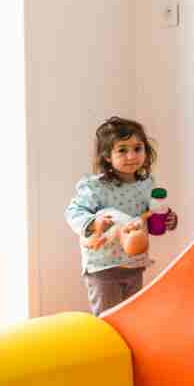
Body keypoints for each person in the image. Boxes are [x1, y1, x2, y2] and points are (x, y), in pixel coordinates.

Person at [65, 115, 173, 314]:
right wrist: (93, 222)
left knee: (131, 316)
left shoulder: (146, 184)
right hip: (104, 267)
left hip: (134, 264)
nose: (131, 156)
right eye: (122, 150)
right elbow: (73, 212)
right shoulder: (96, 187)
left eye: (137, 148)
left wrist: (168, 219)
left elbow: (150, 214)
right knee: (108, 318)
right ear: (107, 156)